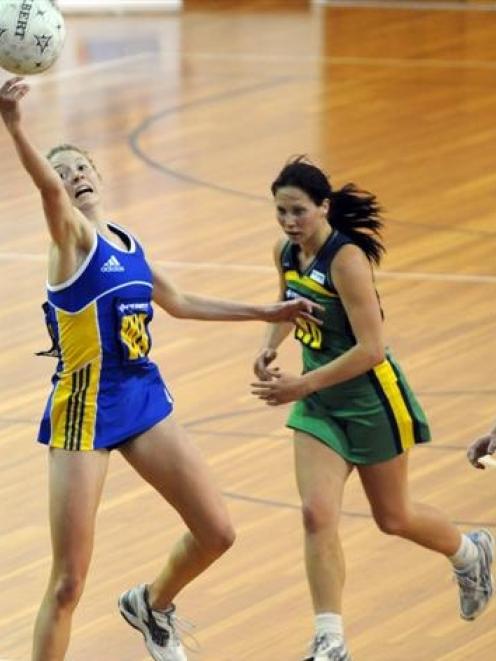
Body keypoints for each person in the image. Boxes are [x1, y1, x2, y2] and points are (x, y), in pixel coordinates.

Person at [0, 77, 324, 661]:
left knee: (217, 531)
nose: (74, 177)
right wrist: (15, 125)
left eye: (81, 168)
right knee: (69, 580)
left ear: (97, 175)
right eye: (64, 172)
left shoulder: (127, 241)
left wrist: (265, 309)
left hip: (141, 395)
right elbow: (47, 193)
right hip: (85, 407)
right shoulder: (70, 240)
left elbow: (178, 302)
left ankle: (150, 604)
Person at [250, 156, 495, 661]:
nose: (289, 222)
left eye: (298, 211)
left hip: (370, 401)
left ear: (324, 207)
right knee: (317, 515)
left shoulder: (347, 260)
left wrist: (301, 384)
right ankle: (330, 640)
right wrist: (269, 344)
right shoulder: (286, 252)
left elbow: (371, 350)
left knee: (395, 517)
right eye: (280, 212)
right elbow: (287, 305)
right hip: (319, 403)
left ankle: (471, 553)